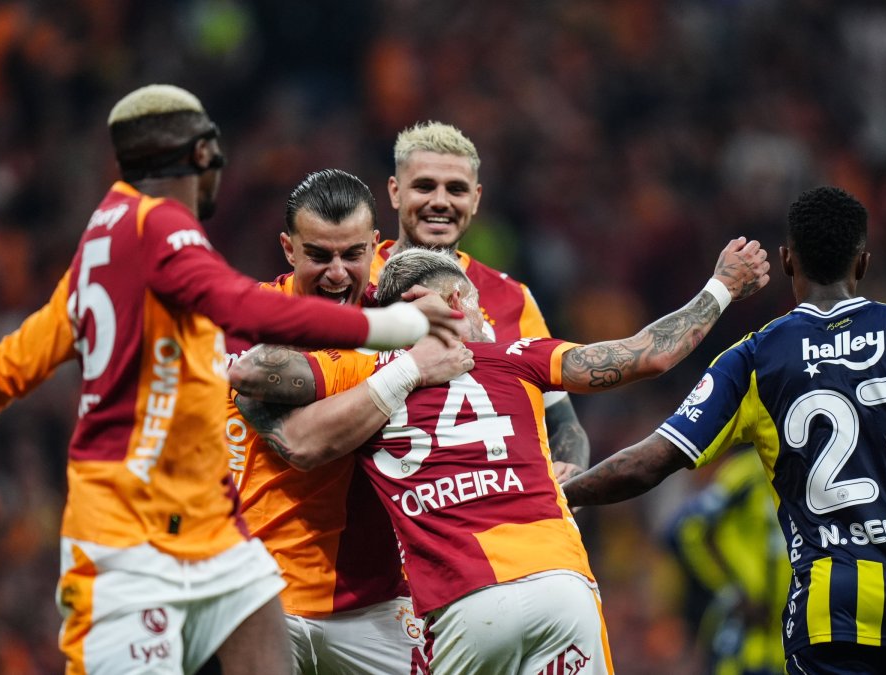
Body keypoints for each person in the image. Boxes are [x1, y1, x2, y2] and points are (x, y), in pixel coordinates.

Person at [0, 84, 461, 675]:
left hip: (210, 531)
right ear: (199, 156)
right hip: (129, 537)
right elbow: (243, 310)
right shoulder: (159, 230)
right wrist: (396, 326)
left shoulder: (100, 245)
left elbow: (7, 365)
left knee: (261, 627)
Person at [561, 186, 886, 674]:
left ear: (787, 261)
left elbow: (651, 460)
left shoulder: (753, 361)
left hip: (830, 612)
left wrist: (558, 494)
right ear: (862, 262)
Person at [228, 238, 771, 674]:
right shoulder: (518, 355)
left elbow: (257, 377)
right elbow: (648, 355)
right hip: (562, 586)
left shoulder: (366, 378)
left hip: (464, 608)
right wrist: (722, 286)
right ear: (463, 302)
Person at [225, 169, 453, 673]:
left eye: (352, 255)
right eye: (319, 256)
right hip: (263, 593)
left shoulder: (402, 312)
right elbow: (305, 445)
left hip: (379, 600)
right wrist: (408, 368)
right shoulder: (248, 325)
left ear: (375, 245)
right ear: (288, 248)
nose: (336, 274)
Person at [377, 121, 591, 481]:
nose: (440, 201)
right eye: (425, 186)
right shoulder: (354, 278)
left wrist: (572, 472)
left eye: (456, 189)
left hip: (491, 520)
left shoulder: (514, 298)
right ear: (396, 192)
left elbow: (564, 423)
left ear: (475, 199)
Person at [663, 447, 790, 675]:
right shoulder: (747, 471)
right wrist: (731, 591)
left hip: (790, 627)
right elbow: (687, 529)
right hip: (750, 631)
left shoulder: (807, 471)